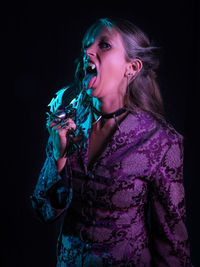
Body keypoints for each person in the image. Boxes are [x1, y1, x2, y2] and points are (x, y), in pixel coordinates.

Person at [31, 18, 193, 266]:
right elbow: (43, 210)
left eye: (104, 45)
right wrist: (58, 156)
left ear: (132, 67)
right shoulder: (66, 122)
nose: (88, 51)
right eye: (87, 44)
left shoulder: (161, 142)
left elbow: (172, 245)